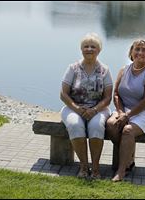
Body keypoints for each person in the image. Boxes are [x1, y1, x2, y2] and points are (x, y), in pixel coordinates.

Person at [106, 39, 145, 182]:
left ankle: (121, 170)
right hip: (125, 110)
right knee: (111, 125)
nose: (140, 53)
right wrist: (120, 113)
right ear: (131, 52)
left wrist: (127, 116)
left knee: (127, 131)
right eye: (137, 49)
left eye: (144, 50)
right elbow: (116, 94)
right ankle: (129, 160)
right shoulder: (124, 70)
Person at [60, 33, 113, 179]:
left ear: (99, 50)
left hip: (99, 109)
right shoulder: (73, 68)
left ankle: (95, 168)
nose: (89, 49)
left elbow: (108, 97)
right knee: (75, 124)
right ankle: (83, 166)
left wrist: (95, 110)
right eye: (86, 46)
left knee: (96, 126)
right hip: (73, 108)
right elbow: (63, 94)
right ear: (81, 49)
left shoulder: (105, 70)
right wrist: (77, 108)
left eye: (93, 46)